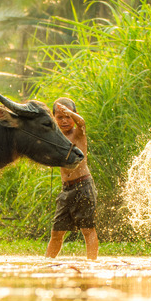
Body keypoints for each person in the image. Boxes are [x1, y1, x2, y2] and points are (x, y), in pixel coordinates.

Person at [45, 98, 98, 260]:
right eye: (60, 117)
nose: (65, 120)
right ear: (54, 118)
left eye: (68, 116)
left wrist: (71, 113)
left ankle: (92, 264)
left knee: (88, 230)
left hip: (84, 186)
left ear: (74, 115)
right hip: (66, 190)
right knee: (56, 233)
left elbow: (81, 123)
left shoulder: (78, 133)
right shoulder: (55, 137)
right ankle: (47, 264)